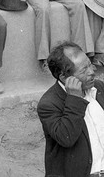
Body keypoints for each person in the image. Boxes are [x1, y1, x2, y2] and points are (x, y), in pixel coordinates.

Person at [37, 42, 103, 177]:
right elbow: (66, 138)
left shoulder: (99, 88)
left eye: (90, 64)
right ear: (64, 77)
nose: (92, 72)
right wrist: (74, 99)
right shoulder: (49, 104)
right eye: (84, 70)